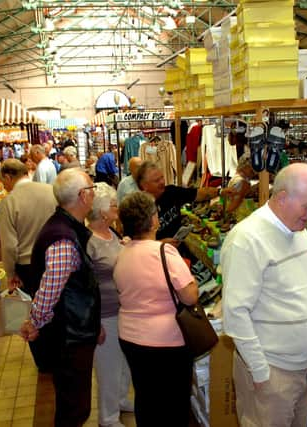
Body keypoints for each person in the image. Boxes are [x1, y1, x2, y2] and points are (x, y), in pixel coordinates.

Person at [221, 162, 307, 427]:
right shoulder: (247, 239)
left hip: (302, 371)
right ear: (282, 197)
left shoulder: (298, 231)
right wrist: (261, 373)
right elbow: (235, 314)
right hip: (272, 374)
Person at [20, 168, 100, 427]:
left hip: (73, 331)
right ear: (82, 196)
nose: (94, 193)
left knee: (72, 401)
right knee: (73, 406)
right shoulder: (64, 238)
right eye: (91, 188)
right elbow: (49, 289)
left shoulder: (65, 227)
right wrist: (35, 322)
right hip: (69, 335)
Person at [114, 191, 198, 427]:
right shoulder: (165, 252)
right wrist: (194, 282)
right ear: (152, 220)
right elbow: (189, 296)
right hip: (166, 342)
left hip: (130, 338)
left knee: (146, 397)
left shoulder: (123, 252)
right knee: (173, 403)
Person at [86, 183, 133, 427]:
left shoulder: (111, 232)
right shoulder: (90, 242)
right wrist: (95, 323)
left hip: (121, 309)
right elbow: (87, 287)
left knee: (123, 362)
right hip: (105, 314)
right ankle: (108, 416)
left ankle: (121, 399)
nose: (117, 208)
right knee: (108, 367)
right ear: (102, 212)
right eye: (113, 205)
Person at [0, 159, 57, 296]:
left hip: (28, 267)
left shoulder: (9, 202)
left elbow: (9, 246)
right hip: (56, 259)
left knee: (34, 309)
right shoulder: (51, 191)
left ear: (8, 177)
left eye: (3, 181)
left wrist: (11, 274)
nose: (4, 186)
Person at [136, 160, 219, 243]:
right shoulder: (139, 209)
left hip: (177, 248)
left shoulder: (171, 192)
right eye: (156, 181)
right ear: (144, 186)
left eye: (162, 177)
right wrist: (162, 243)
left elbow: (199, 194)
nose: (162, 182)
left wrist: (220, 192)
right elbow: (139, 245)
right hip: (157, 253)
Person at [220, 153, 257, 218]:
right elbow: (234, 204)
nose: (254, 172)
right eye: (251, 170)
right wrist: (226, 213)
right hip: (240, 217)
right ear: (245, 167)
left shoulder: (235, 178)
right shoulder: (242, 182)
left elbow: (224, 198)